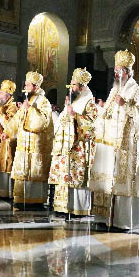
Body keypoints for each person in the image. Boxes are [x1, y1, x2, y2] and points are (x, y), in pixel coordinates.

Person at [89, 49, 139, 230]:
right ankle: (103, 218)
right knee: (106, 179)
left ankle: (121, 221)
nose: (115, 73)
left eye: (119, 70)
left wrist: (126, 105)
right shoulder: (114, 90)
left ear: (128, 72)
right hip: (108, 143)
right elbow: (106, 113)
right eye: (115, 70)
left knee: (121, 181)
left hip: (125, 144)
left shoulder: (137, 91)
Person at [49, 68, 98, 216]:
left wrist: (76, 115)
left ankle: (77, 208)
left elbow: (93, 126)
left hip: (79, 148)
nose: (71, 87)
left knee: (76, 177)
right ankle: (62, 206)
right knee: (64, 175)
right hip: (65, 147)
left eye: (74, 84)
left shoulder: (89, 102)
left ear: (82, 87)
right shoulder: (72, 101)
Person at [11, 71, 54, 206]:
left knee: (34, 170)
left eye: (27, 85)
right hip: (23, 143)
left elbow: (42, 123)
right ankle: (21, 198)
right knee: (23, 170)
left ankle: (35, 200)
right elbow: (19, 119)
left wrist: (29, 109)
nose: (25, 87)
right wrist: (8, 131)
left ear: (35, 86)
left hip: (36, 145)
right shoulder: (28, 100)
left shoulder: (44, 102)